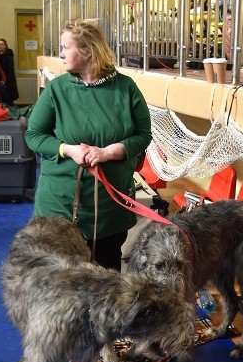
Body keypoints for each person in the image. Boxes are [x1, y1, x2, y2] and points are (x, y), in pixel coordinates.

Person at [25, 19, 152, 271]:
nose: (60, 54)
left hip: (109, 208)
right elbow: (34, 136)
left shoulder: (126, 88)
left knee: (106, 282)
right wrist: (68, 149)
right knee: (59, 281)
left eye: (65, 47)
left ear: (87, 50)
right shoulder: (56, 90)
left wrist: (108, 152)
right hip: (60, 207)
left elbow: (142, 134)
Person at [0, 38, 19, 106]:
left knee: (9, 98)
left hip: (8, 79)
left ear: (6, 46)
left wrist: (5, 80)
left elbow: (9, 68)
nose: (0, 46)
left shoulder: (9, 53)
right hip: (0, 79)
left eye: (2, 44)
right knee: (2, 98)